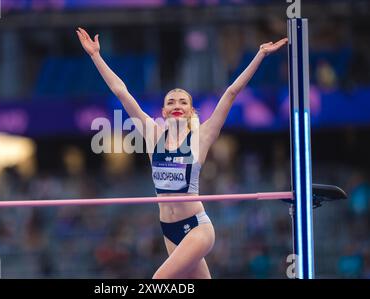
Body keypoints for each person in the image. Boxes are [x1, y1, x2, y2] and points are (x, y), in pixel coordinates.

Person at [76, 27, 287, 279]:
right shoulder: (153, 135)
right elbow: (121, 91)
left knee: (159, 280)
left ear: (190, 111)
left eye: (183, 102)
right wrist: (95, 56)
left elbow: (231, 92)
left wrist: (260, 55)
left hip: (197, 227)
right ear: (164, 111)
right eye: (171, 102)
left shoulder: (202, 136)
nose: (177, 105)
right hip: (169, 229)